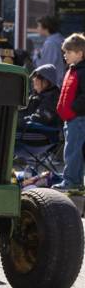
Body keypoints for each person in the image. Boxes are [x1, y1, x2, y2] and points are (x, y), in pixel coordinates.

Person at [53, 33, 85, 190]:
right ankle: (75, 180)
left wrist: (72, 109)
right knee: (72, 149)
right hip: (71, 119)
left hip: (78, 119)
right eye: (64, 52)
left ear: (80, 53)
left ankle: (72, 181)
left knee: (72, 151)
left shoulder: (82, 71)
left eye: (68, 52)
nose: (65, 55)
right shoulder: (73, 69)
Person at [34, 15, 66, 84]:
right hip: (60, 81)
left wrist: (36, 56)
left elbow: (44, 67)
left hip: (54, 84)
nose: (37, 28)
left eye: (39, 26)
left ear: (46, 28)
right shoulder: (60, 39)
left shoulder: (51, 43)